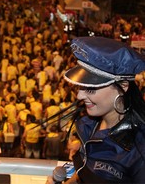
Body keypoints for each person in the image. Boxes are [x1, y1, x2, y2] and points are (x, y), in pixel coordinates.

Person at [46, 36, 145, 184]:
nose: (79, 95)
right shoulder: (88, 124)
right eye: (80, 86)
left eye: (91, 88)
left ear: (123, 86)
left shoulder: (139, 149)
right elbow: (84, 173)